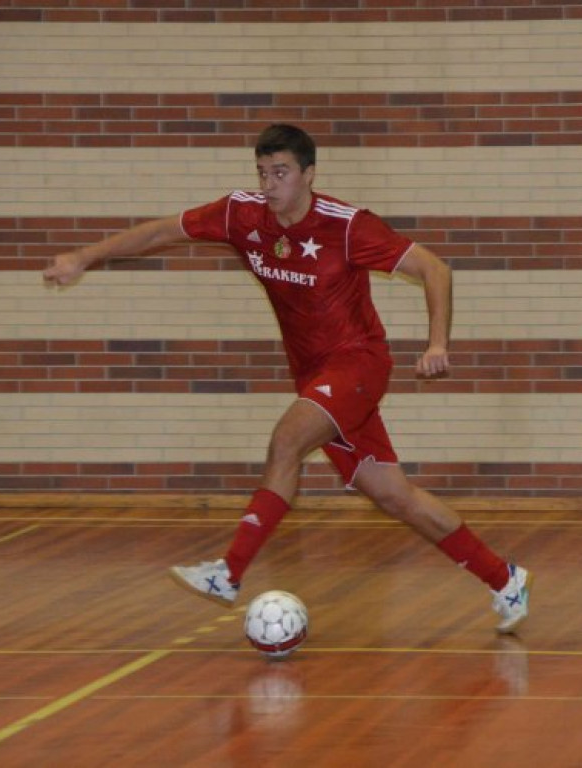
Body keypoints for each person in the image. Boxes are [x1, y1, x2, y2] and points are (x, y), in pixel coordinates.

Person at [43, 123, 531, 634]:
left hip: (358, 364)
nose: (269, 184)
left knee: (286, 442)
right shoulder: (243, 215)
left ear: (308, 175)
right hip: (315, 376)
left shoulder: (346, 225)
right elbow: (166, 231)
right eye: (262, 172)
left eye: (281, 173)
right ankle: (505, 580)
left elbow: (436, 269)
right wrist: (84, 257)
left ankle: (229, 573)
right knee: (394, 495)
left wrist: (437, 343)